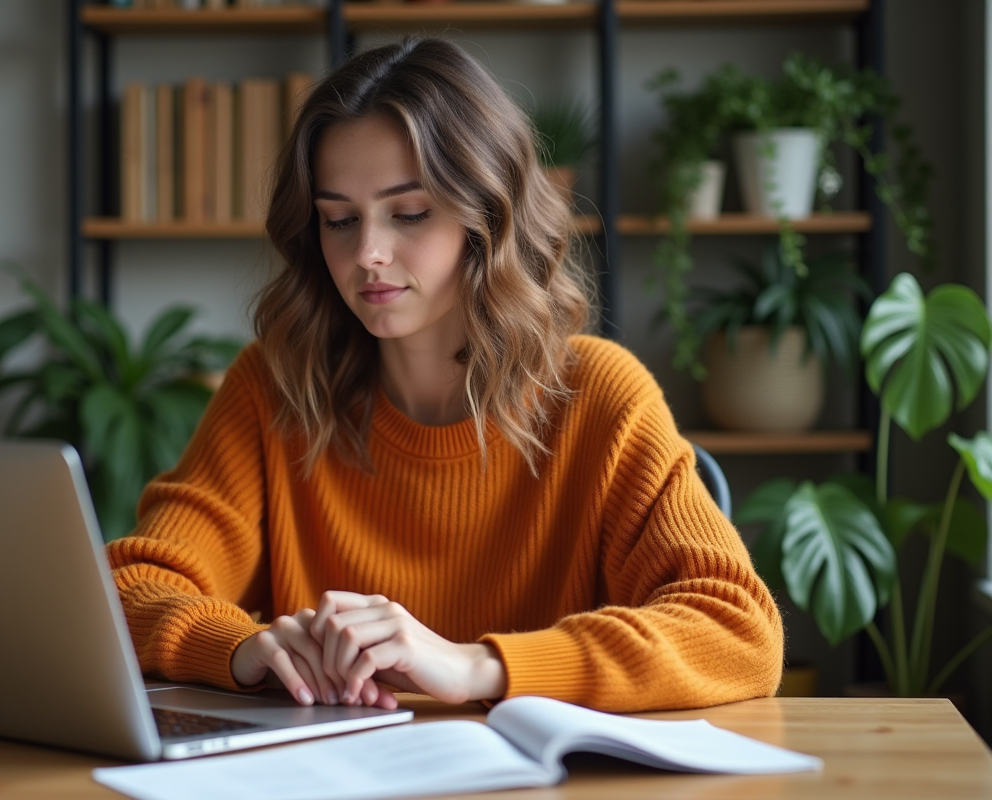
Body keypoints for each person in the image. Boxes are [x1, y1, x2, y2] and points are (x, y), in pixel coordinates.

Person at [106, 36, 783, 713]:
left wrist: (475, 667)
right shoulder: (273, 387)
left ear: (486, 215)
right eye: (339, 220)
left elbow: (736, 629)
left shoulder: (602, 395)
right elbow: (127, 587)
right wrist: (243, 649)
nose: (367, 253)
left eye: (409, 213)